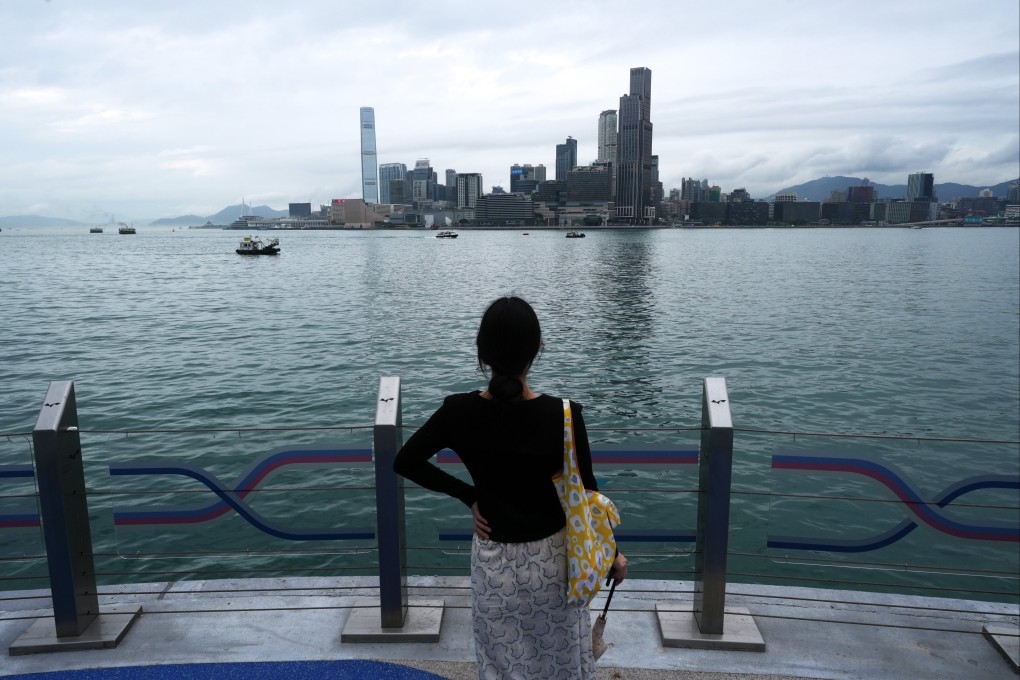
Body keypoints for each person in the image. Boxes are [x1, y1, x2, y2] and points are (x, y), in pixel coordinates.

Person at [394, 295, 628, 680]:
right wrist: (614, 555)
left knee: (502, 664)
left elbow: (405, 461)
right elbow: (586, 500)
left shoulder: (458, 411)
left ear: (482, 353)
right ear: (537, 347)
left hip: (493, 564)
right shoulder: (565, 415)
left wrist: (469, 496)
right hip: (554, 565)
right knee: (562, 662)